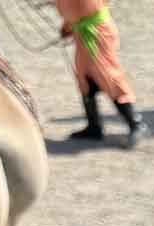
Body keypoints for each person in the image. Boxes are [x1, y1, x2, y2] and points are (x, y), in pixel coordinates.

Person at [55, 0, 148, 146]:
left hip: (98, 32)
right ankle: (94, 127)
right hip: (82, 31)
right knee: (84, 77)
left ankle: (136, 123)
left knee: (107, 76)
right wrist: (68, 26)